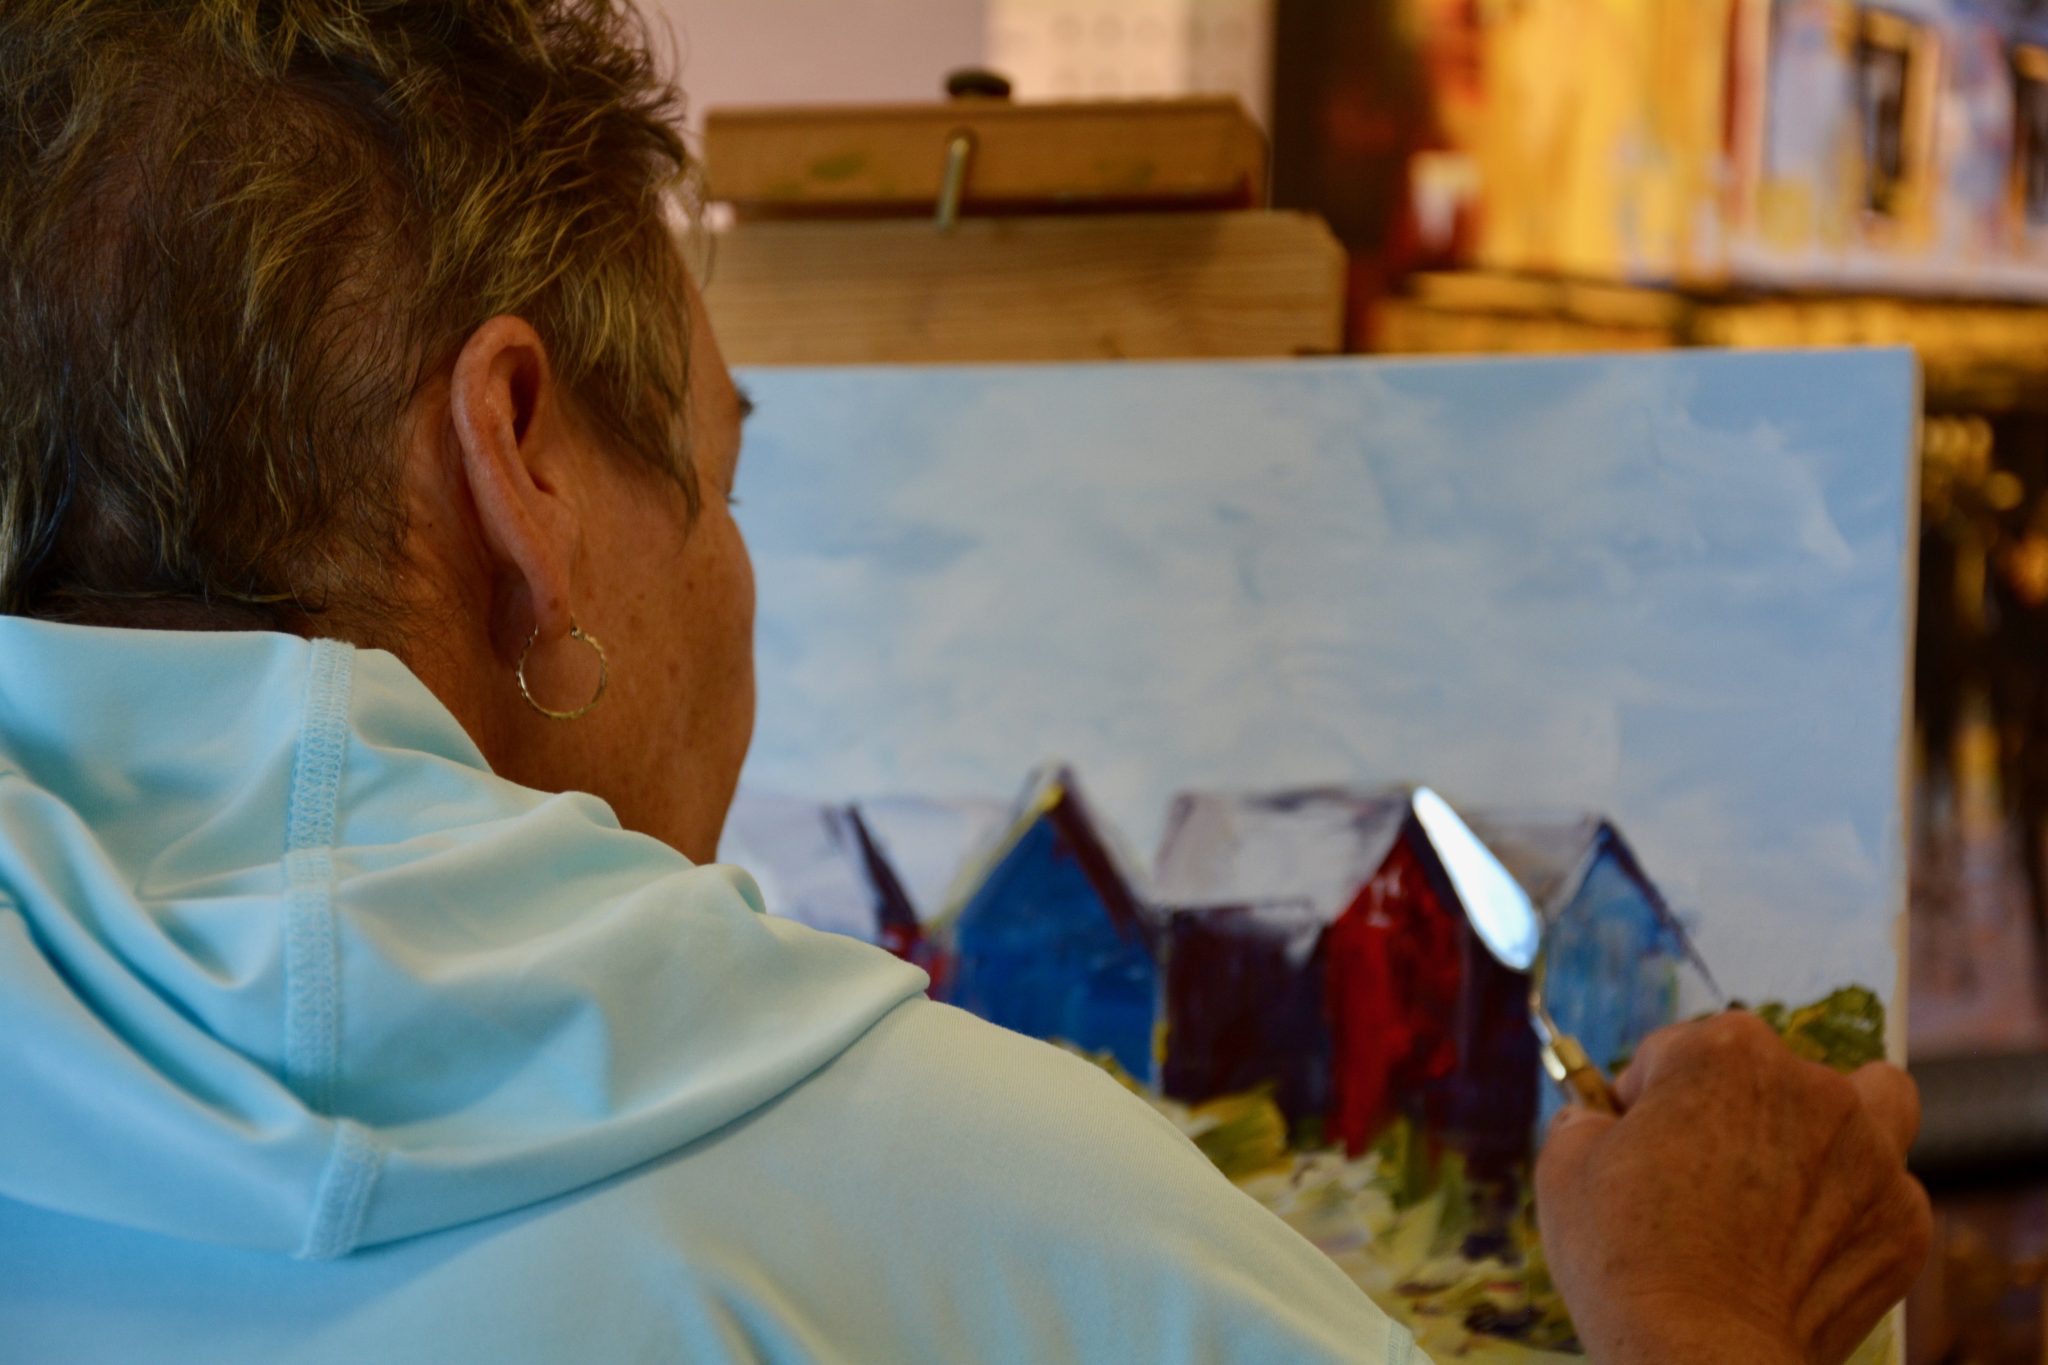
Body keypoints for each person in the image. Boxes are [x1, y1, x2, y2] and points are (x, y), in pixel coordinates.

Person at [0, 3, 1929, 1362]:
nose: (739, 585)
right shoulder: (994, 1225)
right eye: (721, 485)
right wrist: (1700, 1311)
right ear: (522, 469)